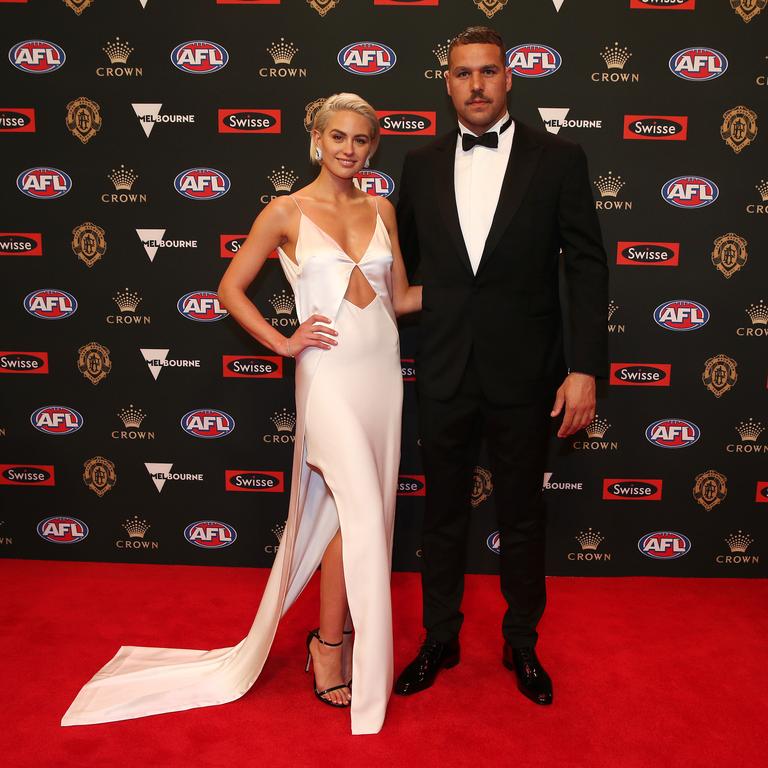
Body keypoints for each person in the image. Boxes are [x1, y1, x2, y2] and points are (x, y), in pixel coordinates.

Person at [60, 93, 421, 736]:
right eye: (337, 136)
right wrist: (284, 342)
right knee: (361, 513)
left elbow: (399, 298)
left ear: (373, 147)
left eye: (361, 140)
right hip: (329, 378)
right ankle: (352, 668)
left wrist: (486, 283)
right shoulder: (285, 211)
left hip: (381, 374)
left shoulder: (383, 209)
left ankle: (327, 645)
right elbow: (229, 288)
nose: (348, 149)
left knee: (355, 518)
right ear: (315, 139)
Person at [394, 27, 609, 705]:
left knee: (522, 516)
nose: (476, 85)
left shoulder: (560, 159)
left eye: (488, 72)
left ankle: (522, 642)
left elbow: (585, 267)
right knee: (442, 516)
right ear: (447, 82)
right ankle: (440, 637)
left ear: (509, 79)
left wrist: (585, 368)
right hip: (446, 364)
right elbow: (390, 259)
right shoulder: (419, 164)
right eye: (463, 74)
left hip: (528, 371)